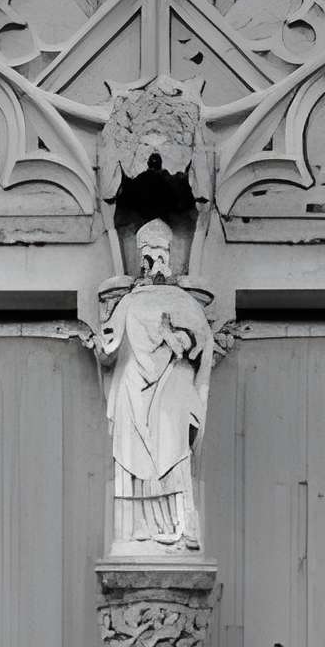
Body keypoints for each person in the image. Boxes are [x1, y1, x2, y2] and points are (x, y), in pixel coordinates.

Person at [99, 219, 214, 553]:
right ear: (142, 258)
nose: (156, 260)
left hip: (170, 390)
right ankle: (135, 530)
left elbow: (199, 342)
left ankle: (180, 528)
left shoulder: (182, 301)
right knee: (131, 453)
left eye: (162, 252)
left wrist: (175, 337)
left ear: (169, 256)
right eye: (150, 253)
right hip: (133, 387)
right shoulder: (130, 302)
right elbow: (109, 345)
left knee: (172, 443)